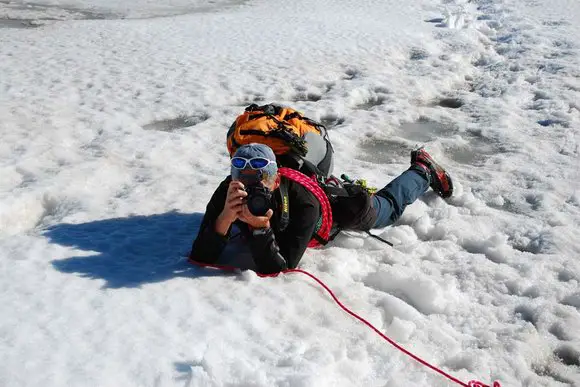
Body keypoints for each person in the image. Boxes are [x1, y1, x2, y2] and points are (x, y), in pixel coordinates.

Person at [189, 143, 452, 274]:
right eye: (243, 177)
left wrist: (259, 228)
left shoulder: (304, 202)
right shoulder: (229, 191)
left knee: (386, 209)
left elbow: (281, 266)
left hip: (339, 208)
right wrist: (223, 218)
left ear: (276, 178)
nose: (251, 186)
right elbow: (201, 255)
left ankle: (422, 171)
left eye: (261, 179)